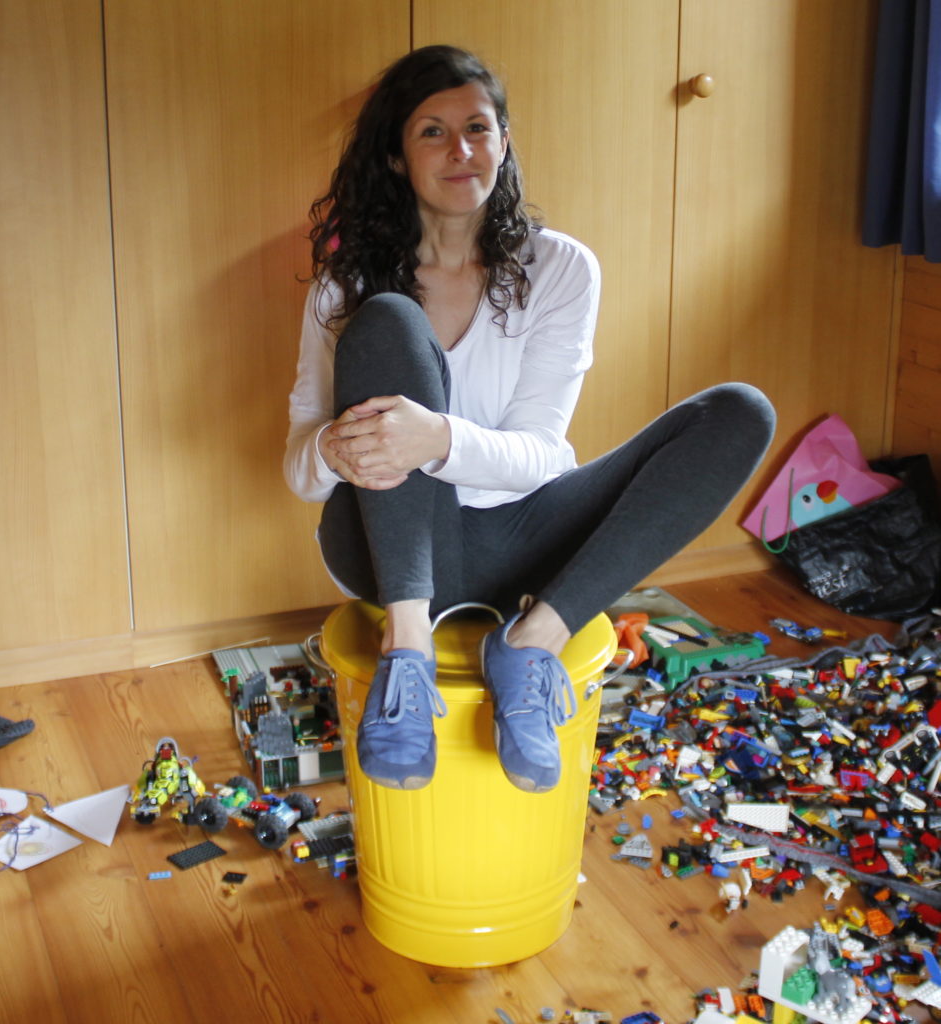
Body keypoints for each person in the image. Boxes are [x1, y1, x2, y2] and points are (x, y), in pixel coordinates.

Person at [284, 45, 775, 795]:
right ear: (394, 156)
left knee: (739, 412)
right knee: (385, 321)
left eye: (477, 128)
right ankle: (405, 653)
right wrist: (332, 449)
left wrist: (437, 439)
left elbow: (543, 456)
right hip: (392, 553)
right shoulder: (343, 285)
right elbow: (297, 468)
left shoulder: (560, 268)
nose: (460, 150)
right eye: (432, 132)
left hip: (526, 541)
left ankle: (532, 644)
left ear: (503, 142)